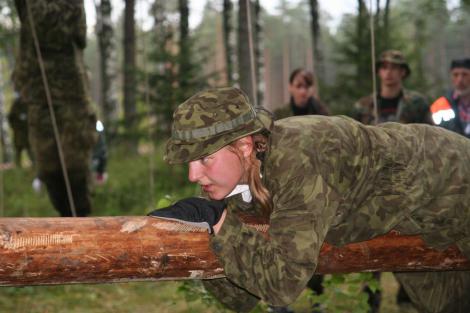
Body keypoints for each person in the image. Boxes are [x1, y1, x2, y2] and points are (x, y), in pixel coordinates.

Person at [149, 87, 470, 313]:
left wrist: (220, 223)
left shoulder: (298, 159)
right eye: (188, 163)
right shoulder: (237, 181)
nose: (192, 176)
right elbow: (242, 298)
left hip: (452, 181)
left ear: (245, 147)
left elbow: (282, 286)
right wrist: (206, 237)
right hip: (411, 220)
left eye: (204, 160)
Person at [14, 0, 97, 217]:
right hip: (37, 94)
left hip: (70, 93)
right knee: (48, 168)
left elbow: (61, 31)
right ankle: (66, 221)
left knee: (75, 169)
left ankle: (81, 225)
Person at [354, 50, 431, 125]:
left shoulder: (417, 103)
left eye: (394, 67)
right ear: (378, 71)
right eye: (384, 67)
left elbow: (430, 133)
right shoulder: (364, 105)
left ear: (403, 71)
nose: (388, 72)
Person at [430, 58, 470, 138]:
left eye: (464, 74)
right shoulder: (439, 105)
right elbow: (433, 135)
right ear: (451, 77)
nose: (460, 79)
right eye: (455, 75)